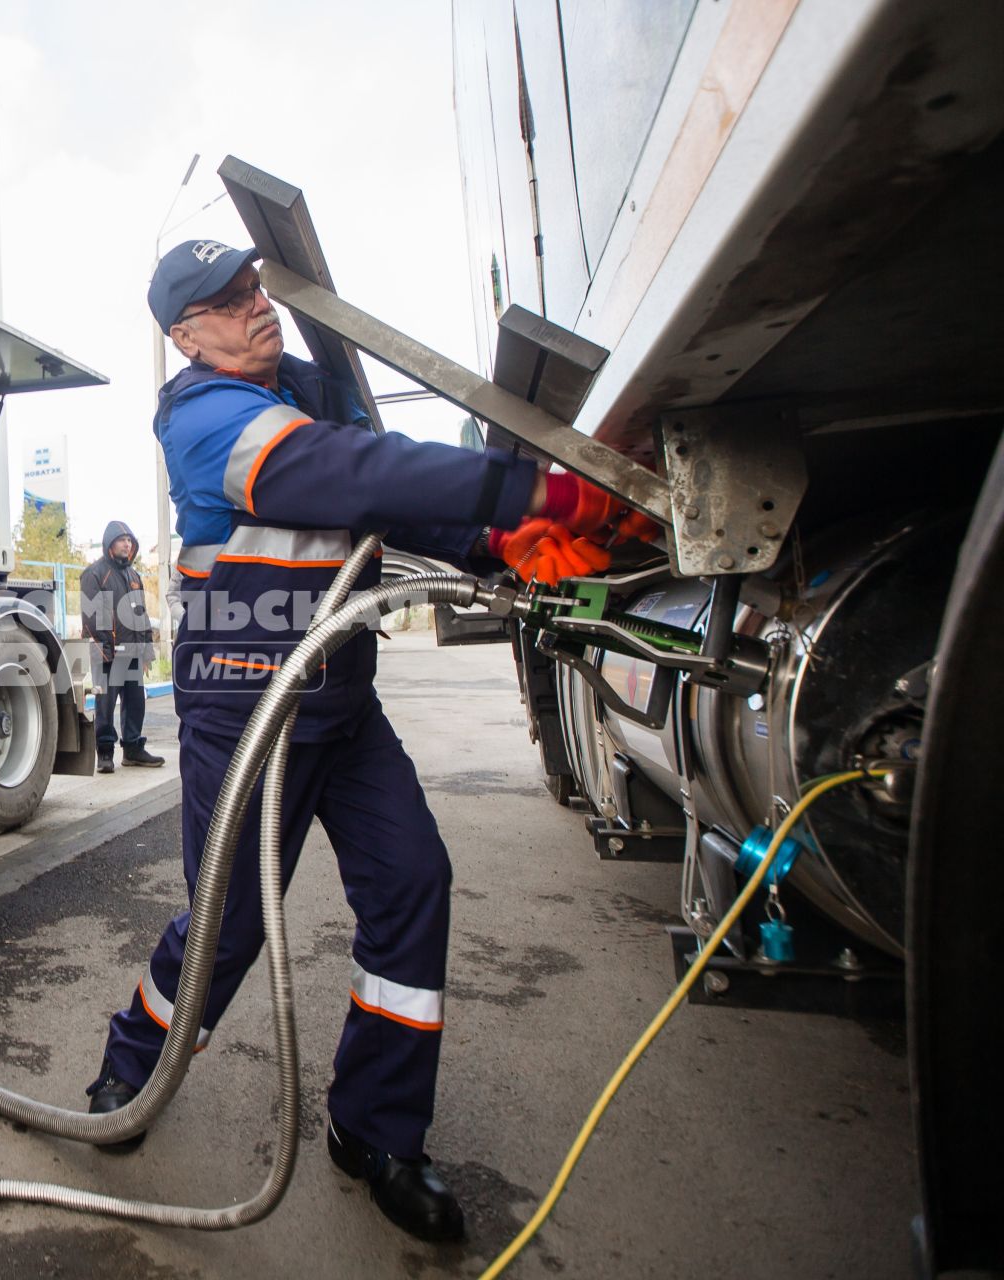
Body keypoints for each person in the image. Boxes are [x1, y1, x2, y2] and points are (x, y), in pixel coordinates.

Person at [84, 239, 637, 1243]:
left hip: (342, 697)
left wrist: (499, 543)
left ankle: (374, 1127)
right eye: (225, 301)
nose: (255, 306)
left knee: (413, 878)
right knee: (230, 921)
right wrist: (528, 493)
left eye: (255, 286)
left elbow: (382, 504)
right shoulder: (204, 417)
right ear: (183, 337)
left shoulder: (306, 387)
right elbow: (344, 470)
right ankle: (132, 1065)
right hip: (247, 704)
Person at [79, 520, 165, 773]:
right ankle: (105, 753)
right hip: (108, 653)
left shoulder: (134, 576)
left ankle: (133, 749)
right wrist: (104, 651)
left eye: (130, 540)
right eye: (122, 540)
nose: (127, 544)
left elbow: (141, 615)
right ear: (109, 544)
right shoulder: (94, 573)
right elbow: (91, 616)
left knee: (136, 702)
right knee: (105, 704)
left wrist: (147, 651)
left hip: (133, 653)